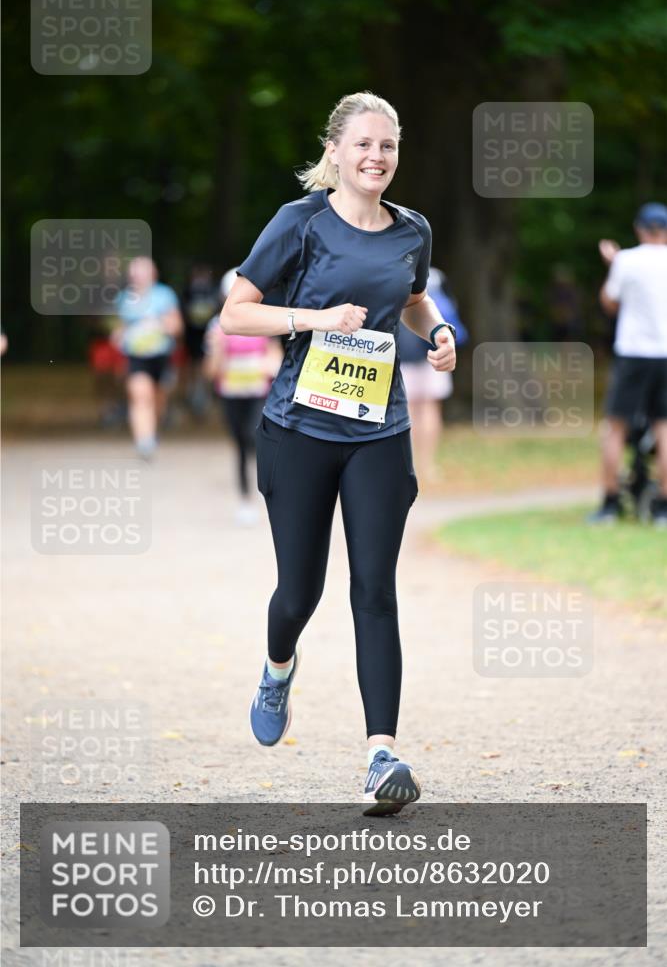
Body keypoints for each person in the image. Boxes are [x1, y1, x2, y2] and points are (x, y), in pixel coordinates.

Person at [220, 91, 457, 815]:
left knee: (374, 590)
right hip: (298, 431)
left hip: (379, 431)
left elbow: (411, 299)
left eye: (387, 145)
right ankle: (276, 668)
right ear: (335, 151)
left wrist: (437, 331)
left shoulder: (411, 230)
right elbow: (235, 312)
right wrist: (313, 318)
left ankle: (381, 754)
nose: (376, 157)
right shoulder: (300, 222)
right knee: (300, 592)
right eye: (363, 144)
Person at [589, 202, 667, 526]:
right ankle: (663, 507)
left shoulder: (626, 260)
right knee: (664, 428)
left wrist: (613, 264)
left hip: (633, 352)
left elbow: (609, 301)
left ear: (639, 229)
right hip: (665, 353)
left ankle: (609, 503)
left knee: (615, 427)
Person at [204, 269, 283, 525]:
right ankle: (245, 500)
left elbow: (276, 356)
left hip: (259, 393)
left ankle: (271, 488)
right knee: (239, 445)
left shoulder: (263, 320)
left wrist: (270, 366)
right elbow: (210, 371)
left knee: (253, 436)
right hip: (230, 394)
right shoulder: (217, 326)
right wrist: (218, 350)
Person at [398, 267, 468, 485]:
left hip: (402, 353)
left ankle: (408, 466)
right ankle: (427, 466)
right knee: (430, 408)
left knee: (408, 411)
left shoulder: (393, 269)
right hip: (434, 350)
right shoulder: (436, 276)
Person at [114, 256, 183, 460]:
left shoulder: (164, 295)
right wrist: (119, 336)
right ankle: (144, 442)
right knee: (140, 396)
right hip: (136, 356)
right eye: (134, 272)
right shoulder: (123, 298)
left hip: (161, 355)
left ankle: (152, 430)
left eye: (142, 272)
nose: (137, 276)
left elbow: (177, 326)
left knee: (158, 400)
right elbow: (119, 328)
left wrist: (159, 325)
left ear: (153, 274)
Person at [180, 264, 220, 419]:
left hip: (209, 334)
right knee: (193, 365)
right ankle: (193, 394)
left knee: (206, 365)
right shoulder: (187, 291)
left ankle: (205, 396)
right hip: (192, 336)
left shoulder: (213, 290)